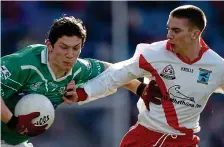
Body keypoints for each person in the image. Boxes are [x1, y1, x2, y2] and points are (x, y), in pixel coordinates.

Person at [74, 5, 224, 147]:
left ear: (195, 34)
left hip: (185, 142)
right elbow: (116, 74)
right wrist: (84, 92)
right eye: (168, 29)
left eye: (176, 31)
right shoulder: (154, 53)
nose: (169, 35)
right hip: (145, 138)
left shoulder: (217, 66)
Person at [1, 16, 157, 147]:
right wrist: (13, 121)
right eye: (63, 47)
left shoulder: (78, 69)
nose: (70, 55)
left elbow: (112, 72)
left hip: (14, 142)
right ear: (49, 45)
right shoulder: (24, 63)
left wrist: (140, 89)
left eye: (76, 48)